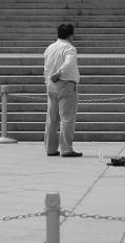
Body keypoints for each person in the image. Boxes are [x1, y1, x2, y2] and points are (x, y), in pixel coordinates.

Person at [44, 24, 82, 157]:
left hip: (51, 85)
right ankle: (66, 149)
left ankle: (50, 148)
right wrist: (59, 73)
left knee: (52, 118)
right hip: (65, 84)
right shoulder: (69, 48)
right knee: (67, 118)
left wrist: (49, 79)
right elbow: (69, 63)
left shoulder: (49, 48)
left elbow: (46, 67)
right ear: (71, 35)